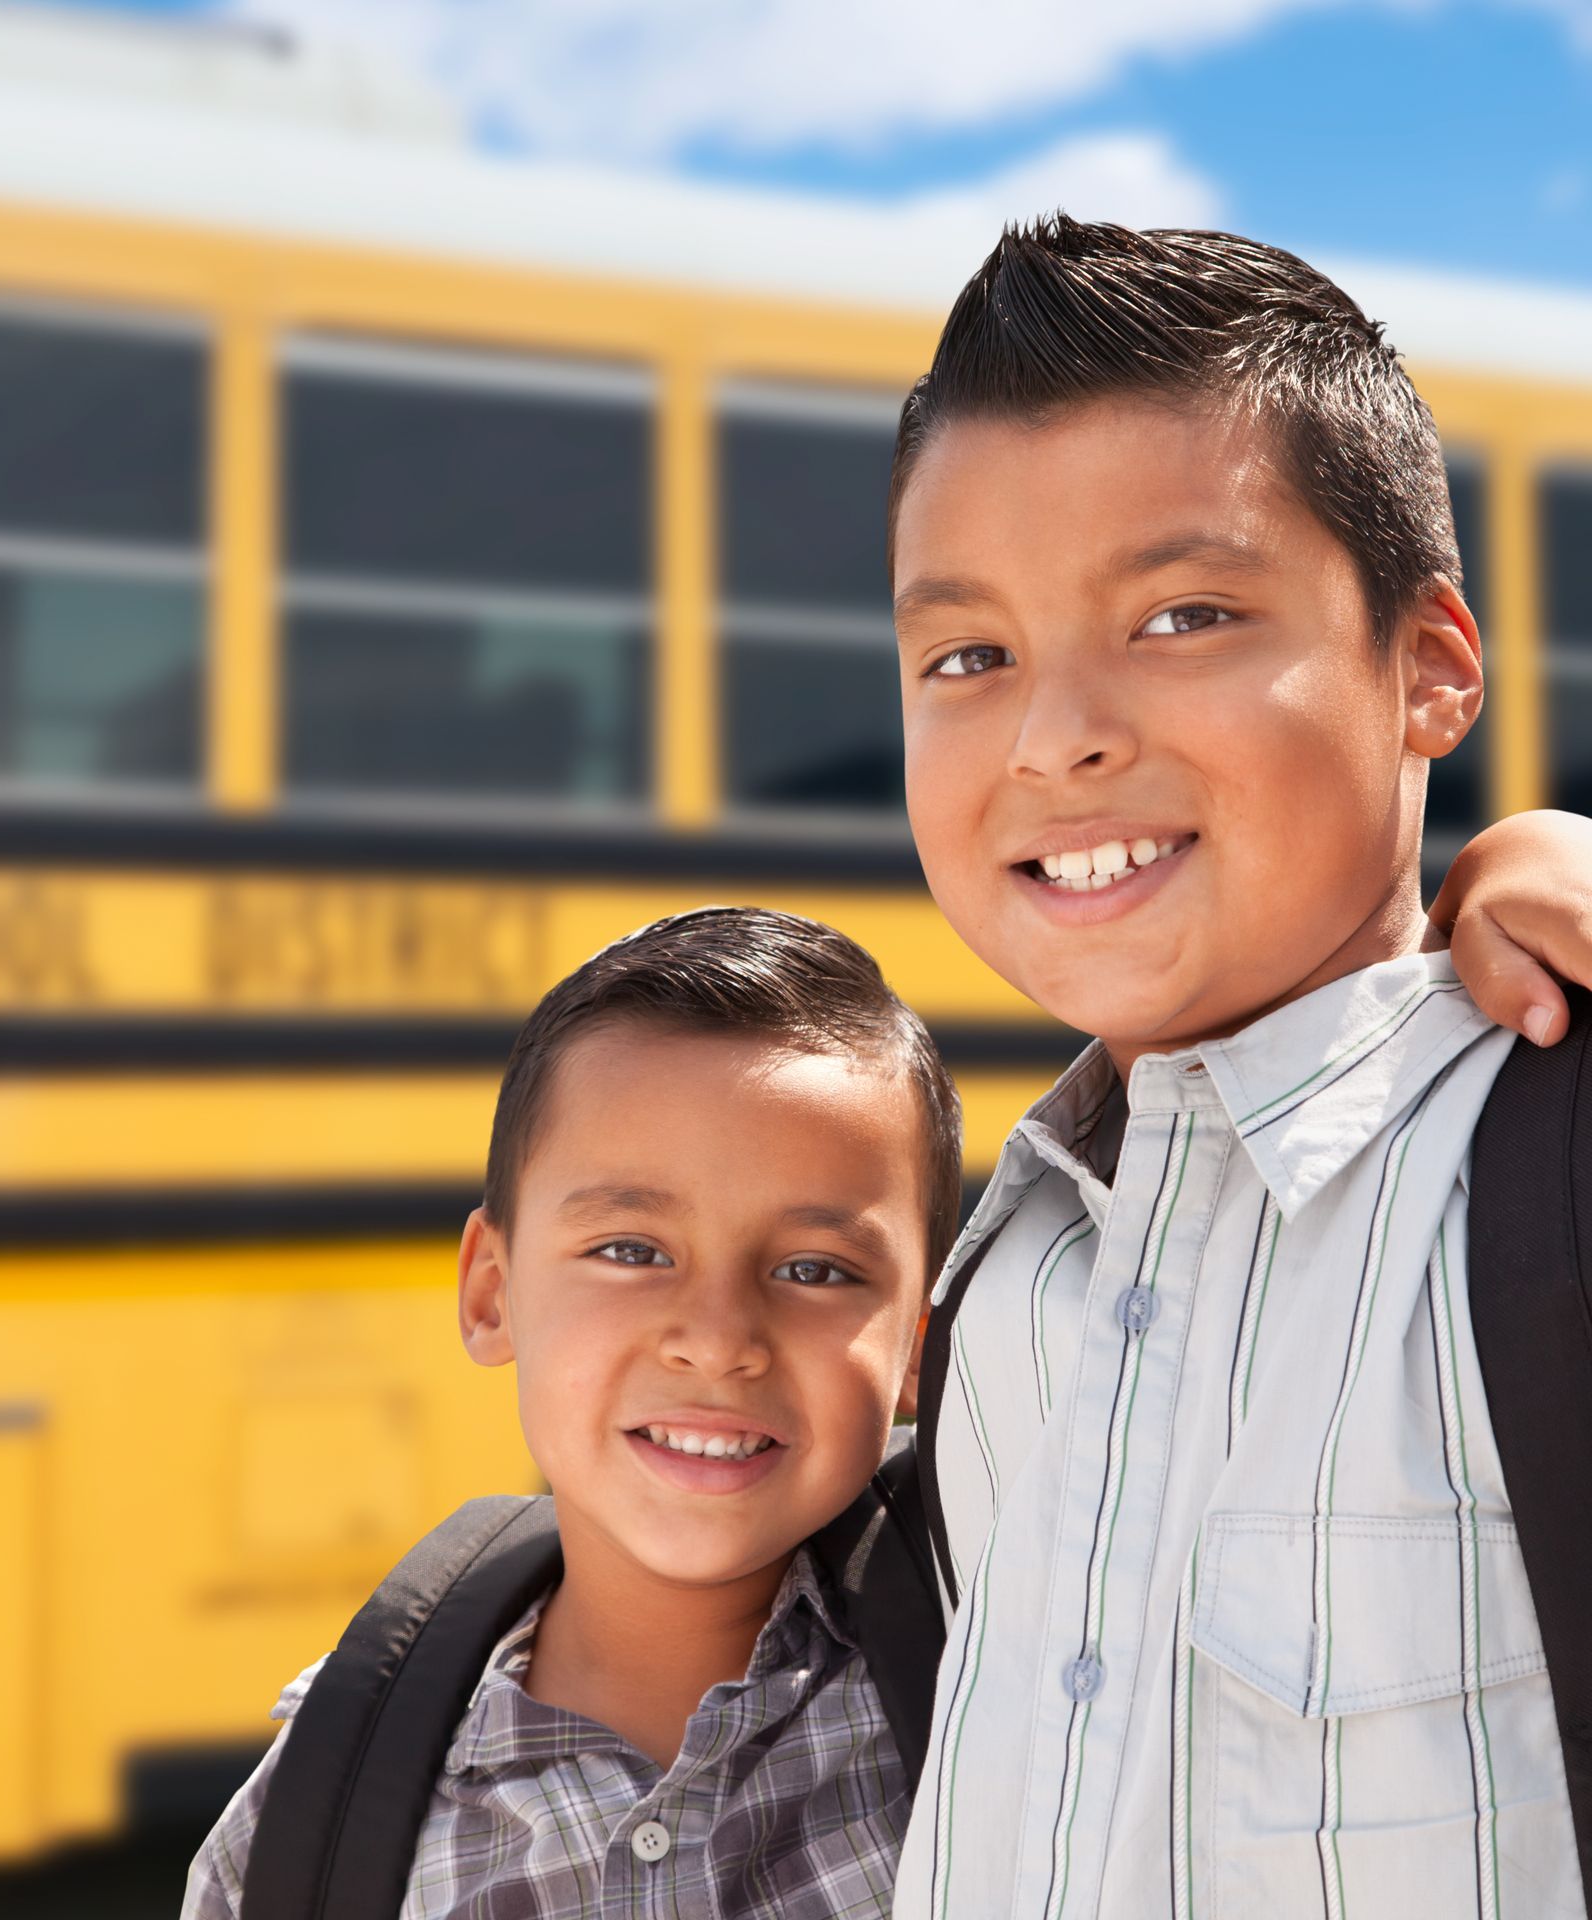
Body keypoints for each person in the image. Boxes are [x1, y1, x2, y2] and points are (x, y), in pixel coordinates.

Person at [889, 216, 1588, 1917]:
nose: (1056, 732)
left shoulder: (1545, 1172)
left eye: (1186, 614)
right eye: (966, 656)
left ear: (1429, 672)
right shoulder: (1006, 1277)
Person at [184, 905, 959, 1918]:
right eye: (632, 1251)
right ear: (491, 1292)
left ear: (919, 1343)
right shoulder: (318, 1813)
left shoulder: (1004, 1714)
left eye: (815, 1270)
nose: (719, 1338)